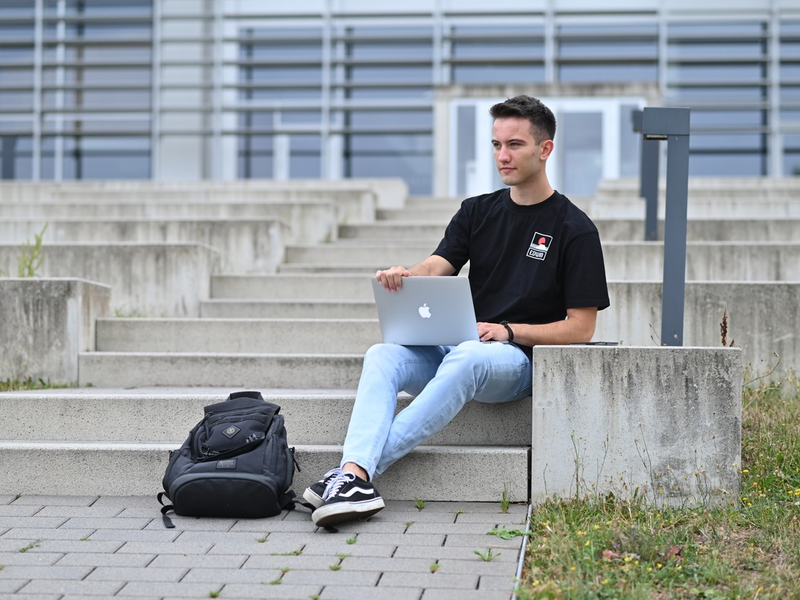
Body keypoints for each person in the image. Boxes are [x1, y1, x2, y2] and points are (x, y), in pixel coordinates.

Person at [305, 95, 610, 528]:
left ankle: (355, 473)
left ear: (545, 150)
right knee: (383, 354)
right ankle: (353, 477)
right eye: (496, 144)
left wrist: (508, 331)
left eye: (515, 145)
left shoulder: (574, 229)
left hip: (516, 362)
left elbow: (581, 328)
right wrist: (405, 275)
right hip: (464, 347)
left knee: (468, 355)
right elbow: (438, 265)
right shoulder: (477, 211)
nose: (502, 155)